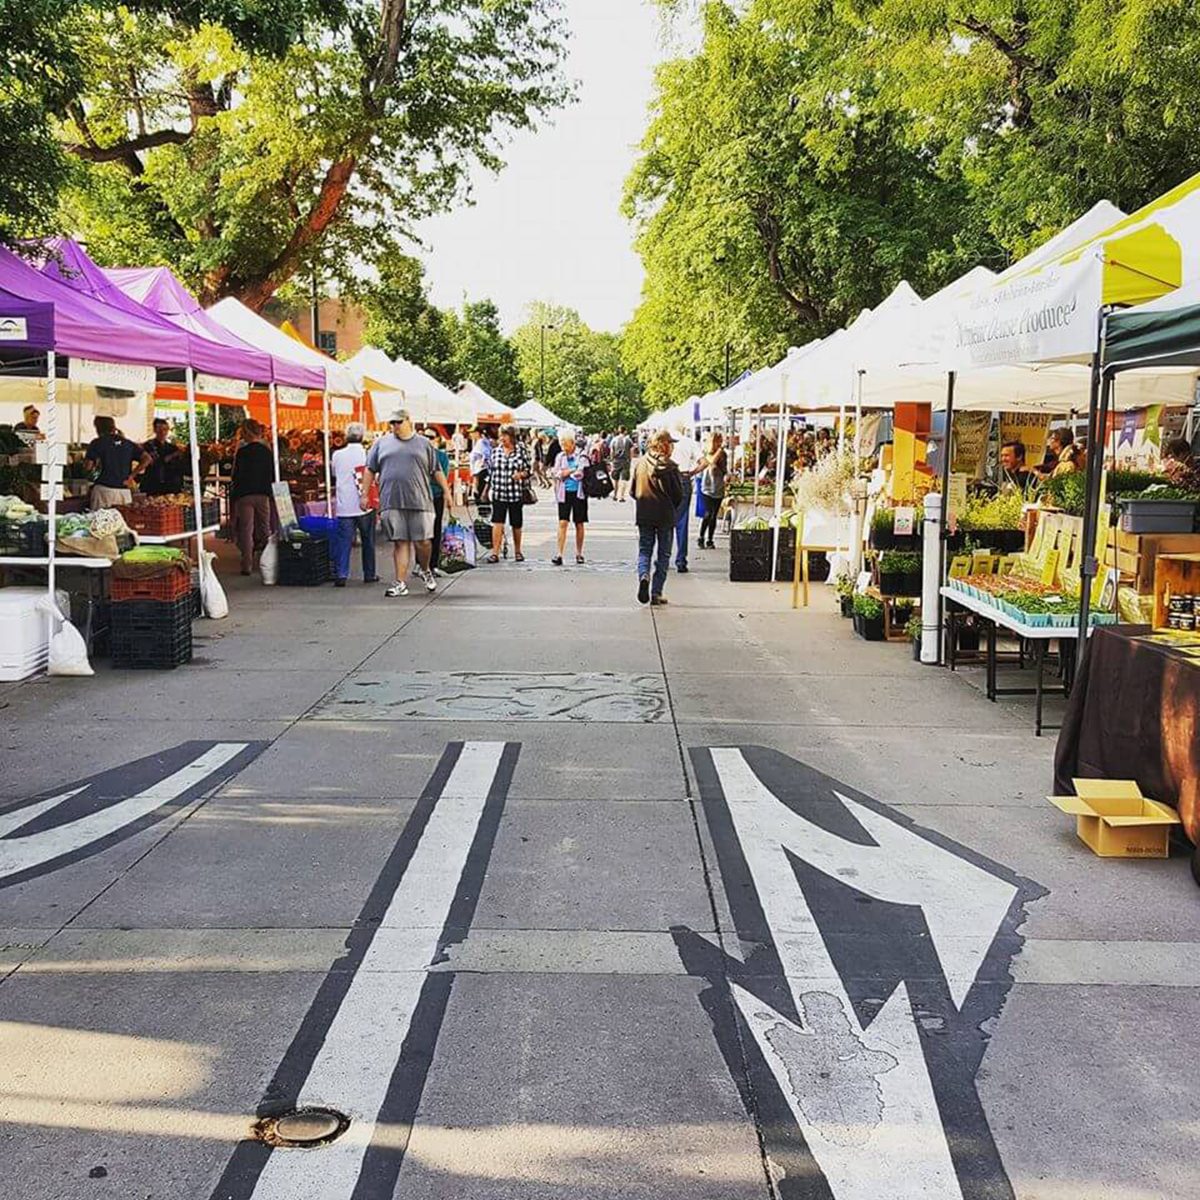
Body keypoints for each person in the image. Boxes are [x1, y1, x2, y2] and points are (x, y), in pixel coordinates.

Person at [362, 408, 453, 598]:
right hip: (392, 499)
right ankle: (400, 582)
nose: (395, 426)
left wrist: (446, 492)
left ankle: (425, 568)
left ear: (408, 421)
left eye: (398, 422)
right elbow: (370, 469)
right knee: (400, 542)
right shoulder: (381, 444)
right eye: (392, 423)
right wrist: (364, 494)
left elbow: (436, 470)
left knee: (423, 542)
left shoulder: (423, 443)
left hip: (420, 500)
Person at [633, 428, 684, 606]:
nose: (672, 447)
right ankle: (656, 592)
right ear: (664, 445)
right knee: (664, 554)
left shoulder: (640, 464)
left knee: (645, 549)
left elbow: (633, 490)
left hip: (645, 513)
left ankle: (644, 575)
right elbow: (679, 495)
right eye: (671, 443)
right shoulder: (671, 467)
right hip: (665, 515)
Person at [330, 422, 377, 587]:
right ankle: (369, 573)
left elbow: (334, 473)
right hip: (365, 504)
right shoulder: (368, 455)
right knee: (368, 540)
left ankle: (341, 574)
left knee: (343, 541)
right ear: (362, 437)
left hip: (344, 504)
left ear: (346, 437)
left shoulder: (337, 455)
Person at [228, 420, 275, 575]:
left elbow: (235, 474)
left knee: (246, 529)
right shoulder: (267, 451)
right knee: (264, 528)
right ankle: (269, 561)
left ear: (247, 432)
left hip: (245, 494)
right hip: (263, 493)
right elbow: (271, 473)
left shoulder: (242, 452)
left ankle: (246, 564)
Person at [85, 416, 150, 510]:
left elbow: (88, 466)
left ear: (98, 428)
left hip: (103, 490)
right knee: (121, 523)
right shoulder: (128, 443)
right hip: (124, 492)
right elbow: (147, 458)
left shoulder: (97, 443)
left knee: (101, 521)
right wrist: (132, 476)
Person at [488, 423, 531, 563]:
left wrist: (521, 474)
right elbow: (491, 471)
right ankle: (495, 552)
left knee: (516, 523)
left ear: (512, 437)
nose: (502, 438)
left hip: (515, 493)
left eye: (505, 435)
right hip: (498, 492)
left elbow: (528, 470)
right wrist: (485, 490)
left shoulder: (521, 451)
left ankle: (518, 551)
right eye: (501, 435)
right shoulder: (496, 451)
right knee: (497, 522)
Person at [669, 426, 706, 573]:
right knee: (682, 521)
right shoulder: (689, 442)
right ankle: (681, 560)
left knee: (665, 520)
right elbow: (704, 462)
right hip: (684, 478)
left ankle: (663, 556)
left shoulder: (666, 442)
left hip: (667, 479)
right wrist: (692, 473)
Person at [552, 429, 589, 565]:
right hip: (563, 494)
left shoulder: (582, 455)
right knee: (562, 522)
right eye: (561, 443)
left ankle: (579, 553)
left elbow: (581, 473)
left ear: (572, 443)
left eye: (565, 443)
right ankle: (559, 554)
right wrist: (570, 471)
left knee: (579, 523)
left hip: (579, 494)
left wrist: (566, 472)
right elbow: (556, 473)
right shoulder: (560, 457)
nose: (563, 446)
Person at [424, 429, 452, 573]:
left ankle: (433, 564)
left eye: (430, 436)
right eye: (424, 436)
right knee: (421, 531)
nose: (427, 439)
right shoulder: (418, 455)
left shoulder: (441, 457)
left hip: (436, 496)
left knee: (435, 529)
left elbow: (443, 477)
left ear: (437, 439)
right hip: (420, 497)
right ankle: (420, 562)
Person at [140, 417, 187, 496]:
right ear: (155, 430)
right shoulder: (148, 445)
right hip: (153, 484)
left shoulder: (172, 447)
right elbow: (157, 462)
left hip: (171, 485)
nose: (162, 432)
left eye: (165, 429)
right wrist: (174, 455)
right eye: (159, 429)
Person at [697, 431, 727, 549]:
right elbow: (712, 462)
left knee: (714, 514)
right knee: (708, 513)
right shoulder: (706, 452)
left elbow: (723, 468)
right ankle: (701, 537)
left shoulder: (723, 454)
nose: (721, 442)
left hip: (718, 486)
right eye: (719, 440)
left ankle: (710, 539)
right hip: (708, 486)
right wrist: (720, 451)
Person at [469, 427, 492, 504]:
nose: (471, 434)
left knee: (480, 494)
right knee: (479, 493)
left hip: (481, 471)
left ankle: (483, 513)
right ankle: (482, 513)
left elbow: (487, 454)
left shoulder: (482, 442)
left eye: (472, 432)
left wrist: (483, 462)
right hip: (479, 470)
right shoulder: (479, 442)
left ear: (477, 433)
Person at [610, 426, 633, 502]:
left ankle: (615, 495)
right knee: (624, 479)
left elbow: (612, 451)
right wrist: (630, 459)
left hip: (616, 461)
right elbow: (631, 450)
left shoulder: (614, 440)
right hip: (625, 461)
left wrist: (612, 459)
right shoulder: (628, 440)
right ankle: (621, 497)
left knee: (615, 479)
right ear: (625, 431)